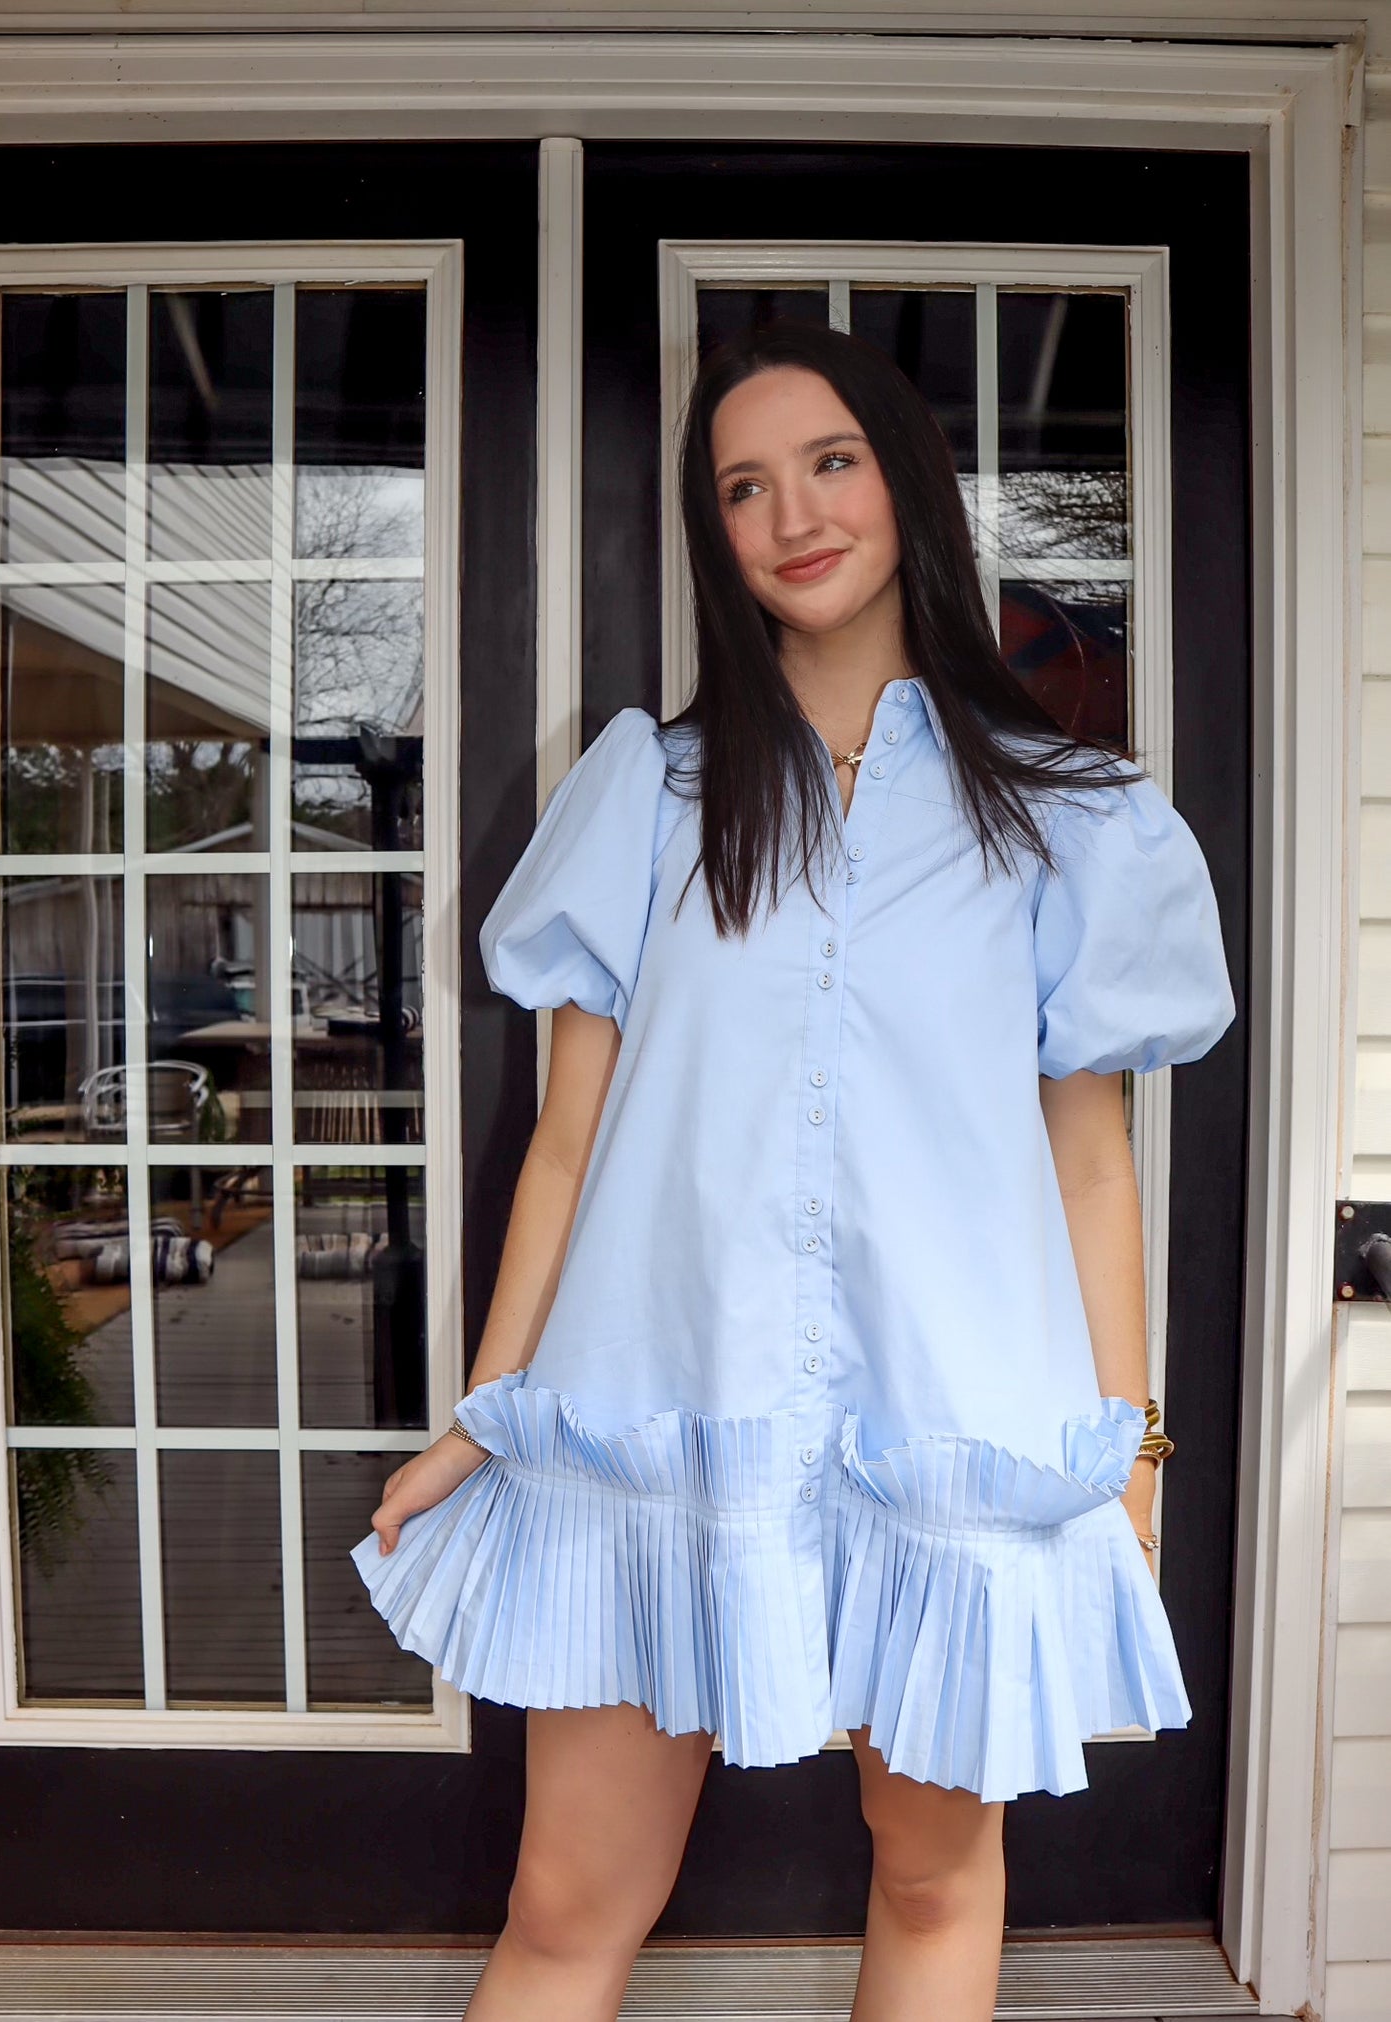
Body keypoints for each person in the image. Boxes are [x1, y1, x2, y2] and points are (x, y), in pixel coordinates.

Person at [350, 318, 1237, 2022]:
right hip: (653, 1428)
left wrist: (1124, 1459)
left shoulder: (1070, 820)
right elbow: (568, 1140)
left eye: (828, 462)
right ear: (714, 531)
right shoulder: (649, 797)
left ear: (905, 481)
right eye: (741, 484)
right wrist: (488, 1405)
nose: (790, 513)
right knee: (561, 1903)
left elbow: (1093, 1177)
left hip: (952, 1439)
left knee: (928, 1875)